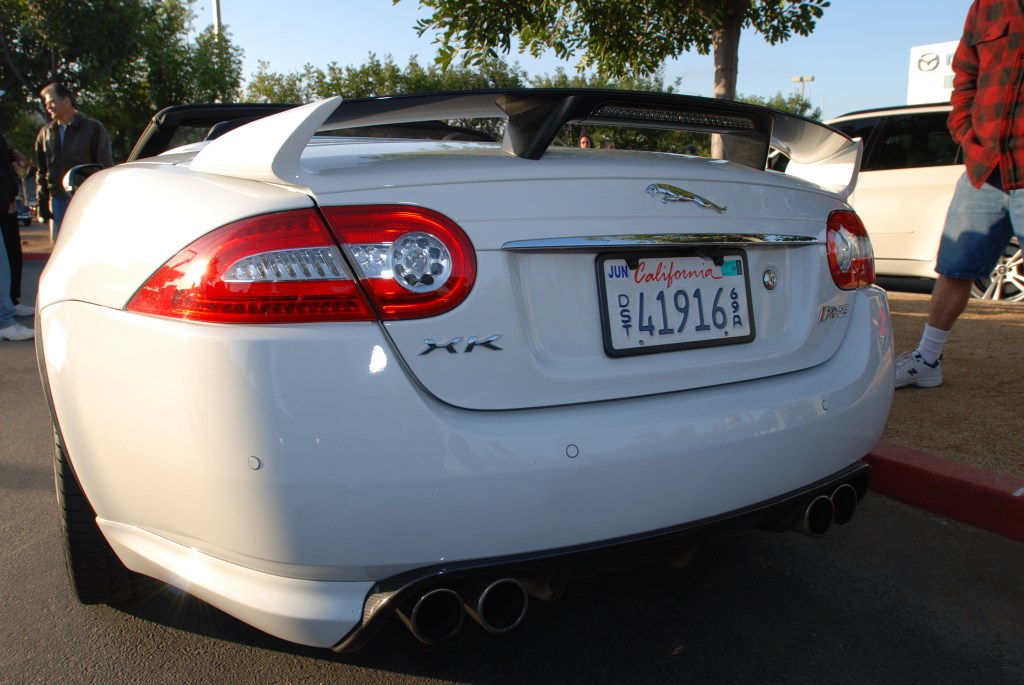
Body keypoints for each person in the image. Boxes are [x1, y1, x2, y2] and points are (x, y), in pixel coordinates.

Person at [896, 0, 1024, 389]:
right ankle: (928, 359)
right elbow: (965, 77)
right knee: (954, 268)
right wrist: (968, 139)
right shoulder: (988, 5)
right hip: (985, 165)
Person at [34, 83, 113, 241]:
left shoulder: (93, 128)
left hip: (85, 199)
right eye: (46, 104)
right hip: (57, 200)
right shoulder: (45, 133)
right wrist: (42, 202)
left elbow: (105, 167)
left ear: (66, 100)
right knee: (62, 248)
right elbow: (41, 170)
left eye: (51, 102)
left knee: (88, 243)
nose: (48, 107)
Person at [0, 96, 32, 316]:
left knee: (11, 254)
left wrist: (12, 153)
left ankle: (11, 301)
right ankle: (4, 317)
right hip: (3, 202)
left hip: (6, 201)